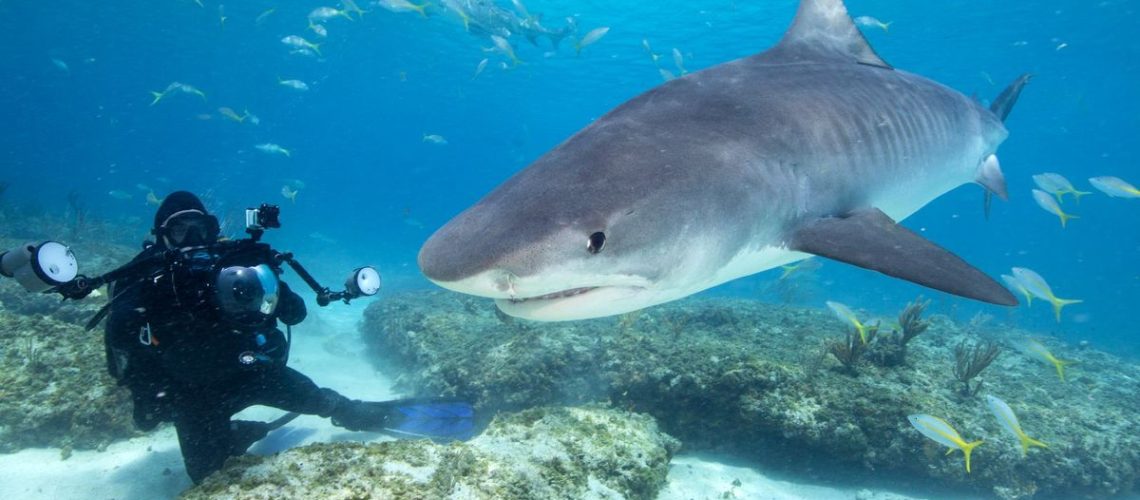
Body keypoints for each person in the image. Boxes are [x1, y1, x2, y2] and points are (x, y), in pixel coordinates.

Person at [102, 191, 472, 483]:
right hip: (191, 395)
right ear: (162, 238)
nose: (194, 238)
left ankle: (376, 414)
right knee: (205, 475)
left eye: (201, 227)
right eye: (181, 230)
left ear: (213, 229)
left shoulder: (238, 265)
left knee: (333, 404)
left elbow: (295, 314)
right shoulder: (144, 277)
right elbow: (119, 340)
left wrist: (266, 280)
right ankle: (238, 433)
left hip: (253, 374)